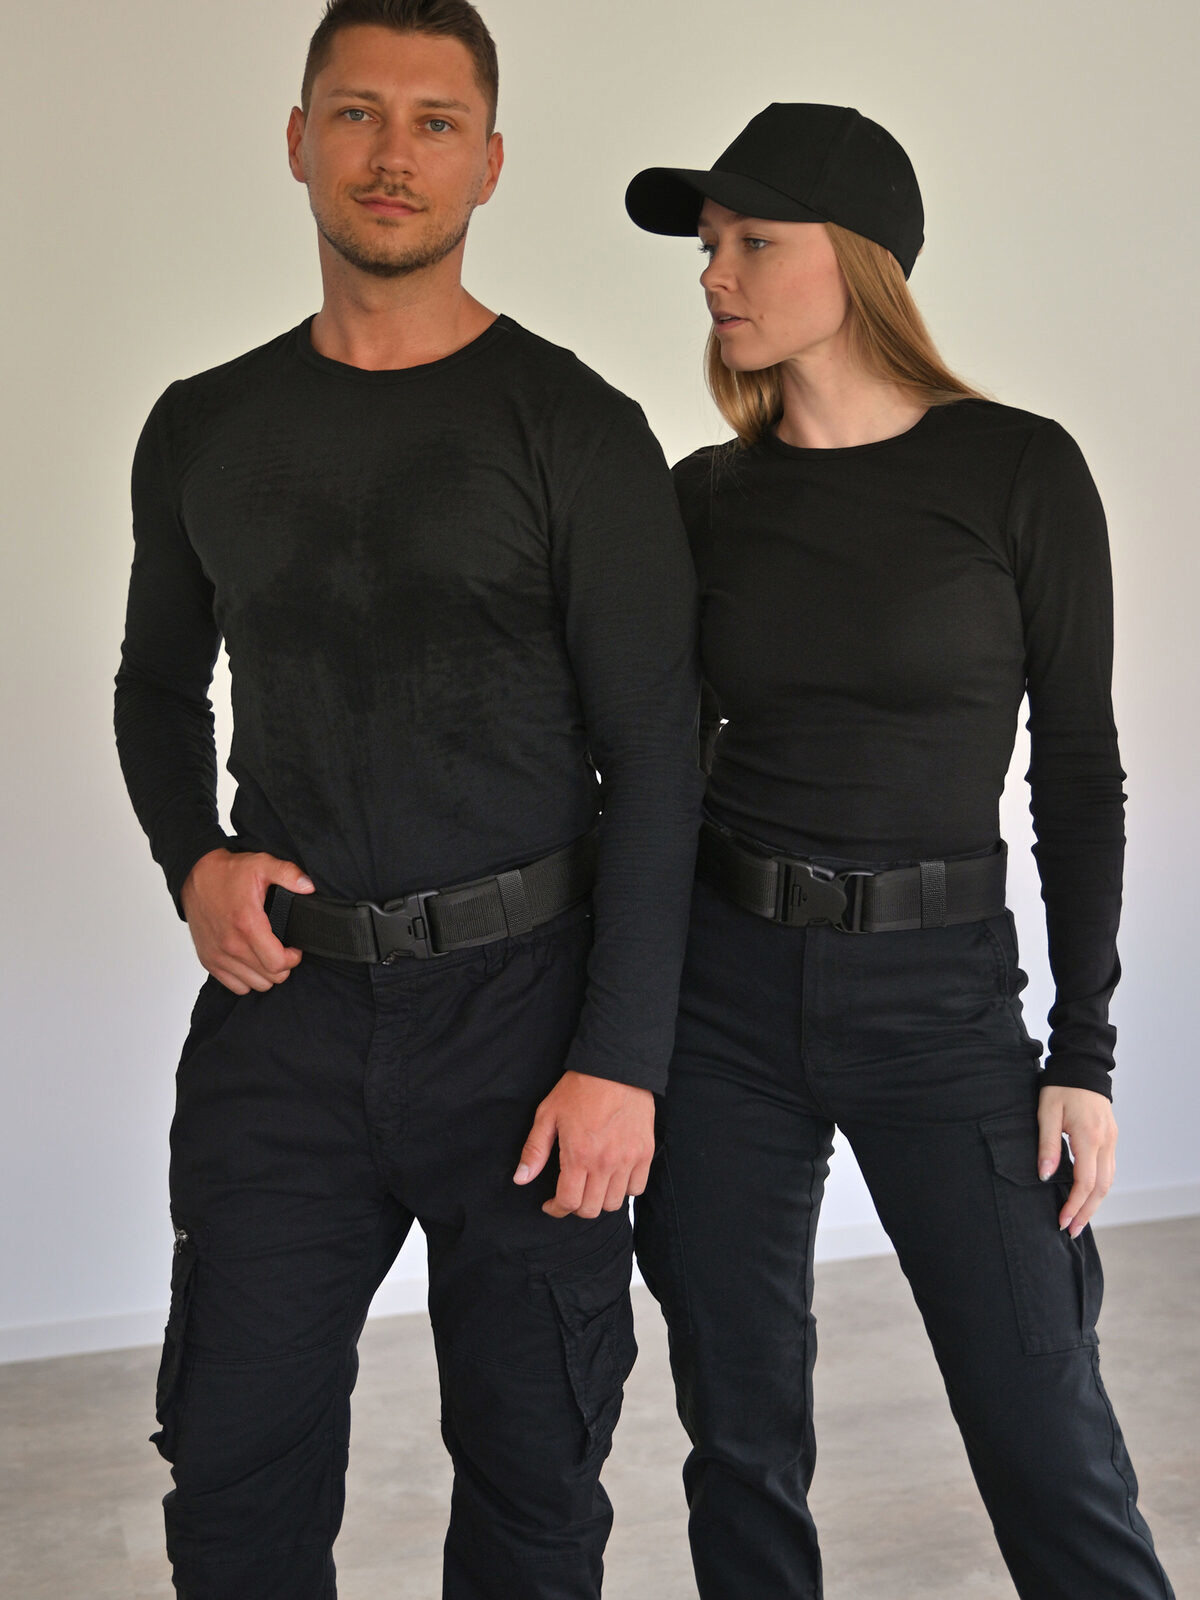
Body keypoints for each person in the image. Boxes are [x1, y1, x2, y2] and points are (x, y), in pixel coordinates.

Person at [113, 2, 703, 1595]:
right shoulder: (205, 425)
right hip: (287, 1023)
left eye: (435, 122)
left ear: (489, 163)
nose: (393, 154)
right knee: (231, 1462)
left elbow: (660, 763)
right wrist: (193, 860)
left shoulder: (576, 431)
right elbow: (154, 688)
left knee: (533, 1476)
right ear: (298, 141)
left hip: (527, 1024)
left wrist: (621, 1063)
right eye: (357, 113)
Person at [624, 103, 1175, 1600]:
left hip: (940, 1003)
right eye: (708, 246)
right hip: (724, 1003)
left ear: (859, 259)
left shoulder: (1018, 471)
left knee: (1043, 1425)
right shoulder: (705, 498)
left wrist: (1084, 1050)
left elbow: (1079, 772)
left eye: (753, 240)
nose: (715, 273)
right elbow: (651, 777)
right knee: (740, 1438)